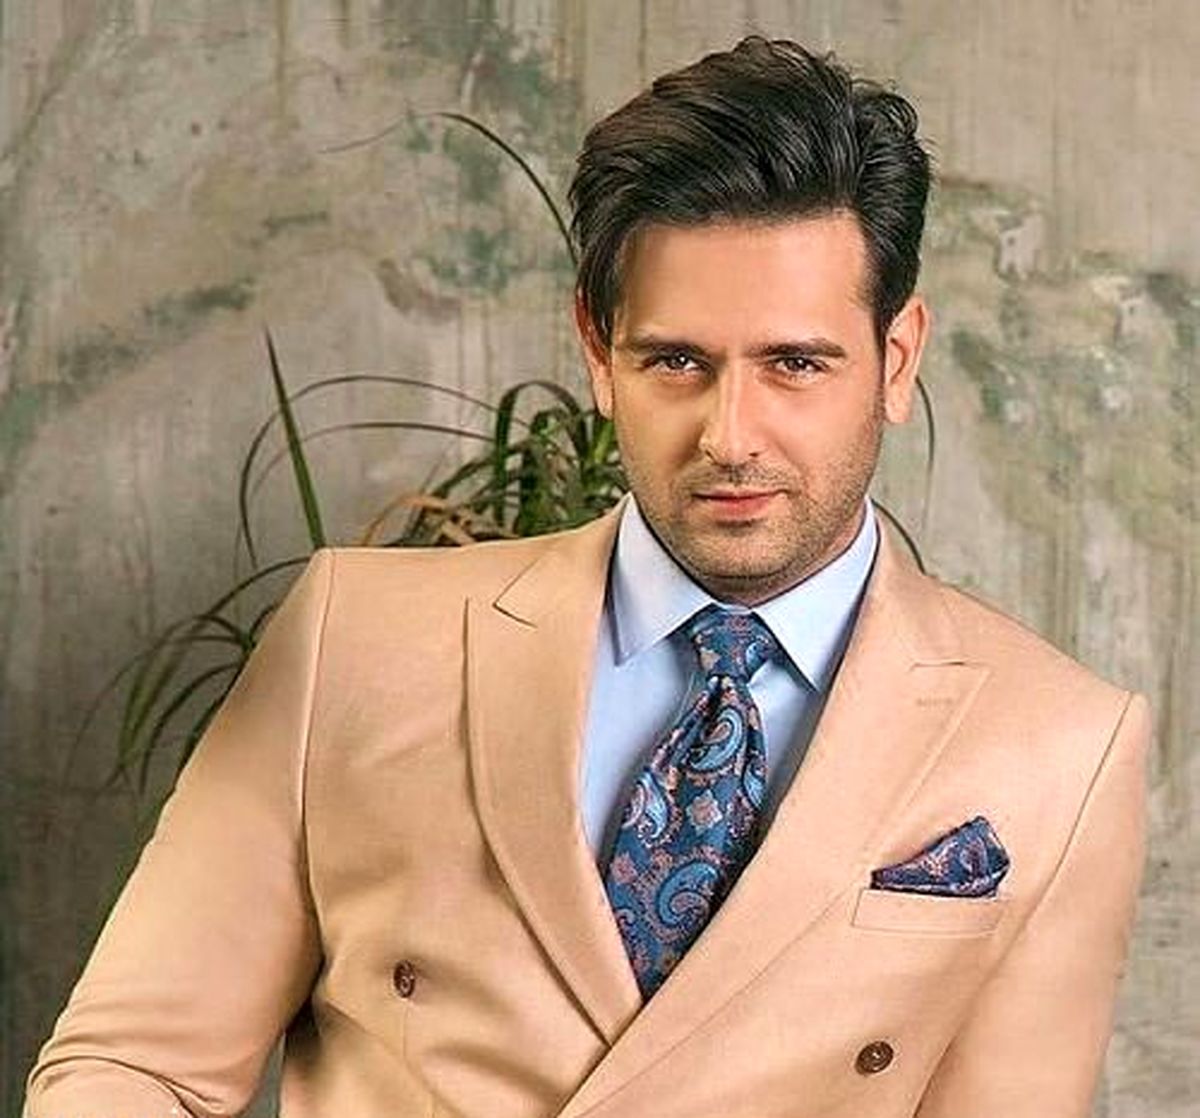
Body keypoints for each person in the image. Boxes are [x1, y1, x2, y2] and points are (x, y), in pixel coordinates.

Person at [25, 35, 1147, 1118]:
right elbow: (133, 1066)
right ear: (598, 352)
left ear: (895, 361)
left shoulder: (1060, 746)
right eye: (677, 360)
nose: (732, 435)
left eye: (796, 364)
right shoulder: (351, 641)